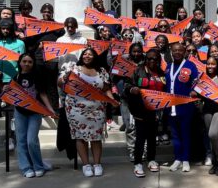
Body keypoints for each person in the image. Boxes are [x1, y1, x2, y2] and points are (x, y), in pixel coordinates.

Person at [58, 47, 118, 177]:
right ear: (81, 56)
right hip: (75, 108)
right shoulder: (73, 68)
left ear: (95, 57)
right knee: (80, 137)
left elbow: (106, 88)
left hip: (97, 109)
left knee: (96, 137)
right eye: (85, 54)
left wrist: (112, 100)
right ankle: (86, 165)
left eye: (90, 54)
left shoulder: (101, 71)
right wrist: (63, 79)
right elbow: (60, 83)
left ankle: (97, 164)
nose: (87, 56)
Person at [124, 48, 166, 177]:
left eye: (154, 58)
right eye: (149, 58)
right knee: (140, 138)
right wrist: (133, 89)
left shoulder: (161, 73)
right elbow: (126, 86)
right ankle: (137, 163)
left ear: (158, 60)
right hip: (140, 110)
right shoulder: (138, 70)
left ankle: (151, 160)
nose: (152, 60)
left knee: (152, 137)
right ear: (145, 59)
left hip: (155, 111)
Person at [13, 53, 56, 178]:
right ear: (20, 62)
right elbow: (12, 94)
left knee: (31, 141)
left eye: (30, 61)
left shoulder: (37, 76)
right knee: (21, 141)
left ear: (33, 64)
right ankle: (26, 168)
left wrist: (50, 110)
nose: (27, 64)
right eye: (24, 61)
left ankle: (38, 166)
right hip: (19, 112)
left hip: (35, 112)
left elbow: (42, 94)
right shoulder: (16, 76)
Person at [0, 18, 26, 151]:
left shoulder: (19, 43)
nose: (5, 31)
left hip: (11, 81)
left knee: (12, 112)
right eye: (3, 28)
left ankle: (11, 137)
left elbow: (23, 63)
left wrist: (18, 80)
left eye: (8, 29)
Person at [165, 43, 199, 172]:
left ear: (185, 51)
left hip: (186, 106)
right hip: (171, 106)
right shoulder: (168, 67)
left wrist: (194, 91)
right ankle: (177, 158)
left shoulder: (191, 65)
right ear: (171, 52)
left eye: (180, 50)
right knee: (175, 135)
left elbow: (197, 82)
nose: (177, 52)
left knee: (185, 134)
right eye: (175, 50)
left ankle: (185, 159)